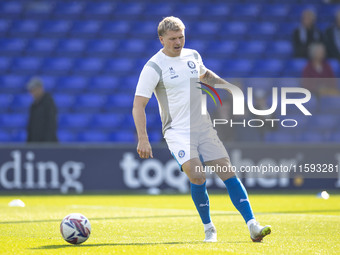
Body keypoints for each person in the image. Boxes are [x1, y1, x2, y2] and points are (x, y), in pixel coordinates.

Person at [132, 16, 271, 243]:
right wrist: (143, 138)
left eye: (181, 37)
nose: (178, 42)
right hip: (176, 130)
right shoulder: (153, 67)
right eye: (173, 38)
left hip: (203, 125)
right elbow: (138, 105)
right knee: (197, 175)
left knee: (227, 170)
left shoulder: (193, 55)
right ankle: (209, 228)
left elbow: (204, 75)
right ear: (161, 40)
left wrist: (227, 87)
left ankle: (253, 224)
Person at [27, 77, 58, 143]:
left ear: (40, 88)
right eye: (31, 91)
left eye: (34, 90)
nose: (32, 93)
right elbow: (31, 126)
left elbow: (51, 124)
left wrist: (46, 143)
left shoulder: (48, 103)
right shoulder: (33, 106)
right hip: (35, 143)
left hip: (47, 144)